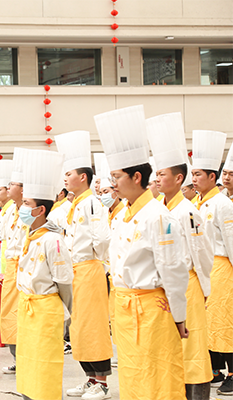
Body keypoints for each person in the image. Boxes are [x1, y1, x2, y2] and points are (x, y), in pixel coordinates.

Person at [95, 104, 188, 400]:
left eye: (117, 177)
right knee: (133, 376)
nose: (113, 185)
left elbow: (173, 269)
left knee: (157, 376)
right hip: (124, 308)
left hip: (151, 310)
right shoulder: (122, 213)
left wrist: (179, 314)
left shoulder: (159, 217)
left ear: (137, 177)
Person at [147, 112, 214, 398]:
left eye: (162, 174)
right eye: (156, 174)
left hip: (188, 286)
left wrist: (204, 287)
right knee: (174, 346)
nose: (157, 179)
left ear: (178, 178)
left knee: (194, 347)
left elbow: (203, 253)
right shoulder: (160, 209)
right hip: (170, 287)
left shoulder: (188, 211)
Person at [56, 130, 113, 400]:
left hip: (88, 269)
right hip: (75, 271)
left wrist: (94, 263)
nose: (65, 178)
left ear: (82, 177)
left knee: (92, 325)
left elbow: (102, 239)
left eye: (69, 174)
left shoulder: (90, 203)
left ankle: (101, 383)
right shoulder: (75, 204)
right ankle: (90, 379)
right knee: (78, 327)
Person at [17, 149, 73, 400]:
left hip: (46, 309)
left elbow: (65, 282)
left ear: (40, 210)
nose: (21, 207)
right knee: (29, 362)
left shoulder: (54, 240)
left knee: (46, 364)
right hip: (29, 308)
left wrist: (64, 313)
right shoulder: (29, 234)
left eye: (27, 204)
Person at [191, 129, 233, 395]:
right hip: (206, 269)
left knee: (225, 321)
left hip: (222, 269)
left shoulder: (222, 204)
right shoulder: (199, 202)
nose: (193, 179)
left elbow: (230, 242)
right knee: (209, 321)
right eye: (192, 174)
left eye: (198, 174)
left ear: (212, 177)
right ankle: (216, 369)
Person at [0, 148, 31, 374]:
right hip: (11, 267)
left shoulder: (29, 211)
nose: (8, 188)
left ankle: (27, 358)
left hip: (25, 267)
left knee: (24, 313)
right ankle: (16, 357)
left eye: (12, 184)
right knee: (9, 312)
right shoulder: (10, 211)